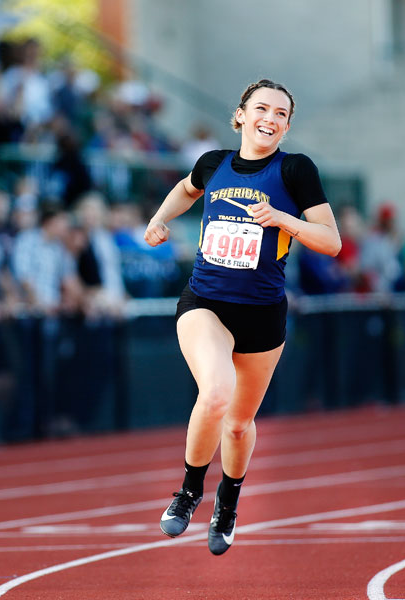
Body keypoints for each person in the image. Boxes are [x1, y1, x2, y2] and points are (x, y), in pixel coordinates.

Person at [144, 79, 341, 555]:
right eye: (261, 108)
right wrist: (159, 219)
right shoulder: (213, 163)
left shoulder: (295, 170)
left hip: (262, 314)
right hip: (205, 303)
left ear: (287, 126)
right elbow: (185, 189)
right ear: (240, 115)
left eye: (280, 113)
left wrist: (283, 219)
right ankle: (189, 492)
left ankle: (227, 504)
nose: (269, 118)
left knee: (237, 423)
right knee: (214, 394)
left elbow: (331, 241)